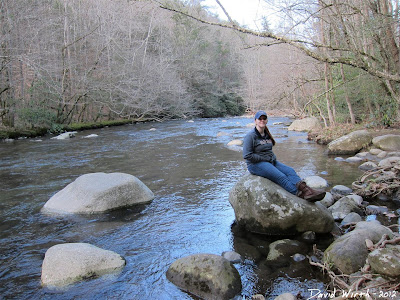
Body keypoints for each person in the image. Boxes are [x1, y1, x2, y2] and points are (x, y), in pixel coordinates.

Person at [243, 110, 325, 202]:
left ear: (266, 120)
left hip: (269, 161)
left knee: (290, 171)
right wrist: (265, 158)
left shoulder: (266, 134)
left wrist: (272, 157)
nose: (262, 120)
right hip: (255, 165)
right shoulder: (250, 136)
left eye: (264, 118)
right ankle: (300, 195)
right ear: (255, 121)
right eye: (260, 118)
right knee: (281, 176)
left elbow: (268, 150)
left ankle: (307, 190)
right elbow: (247, 155)